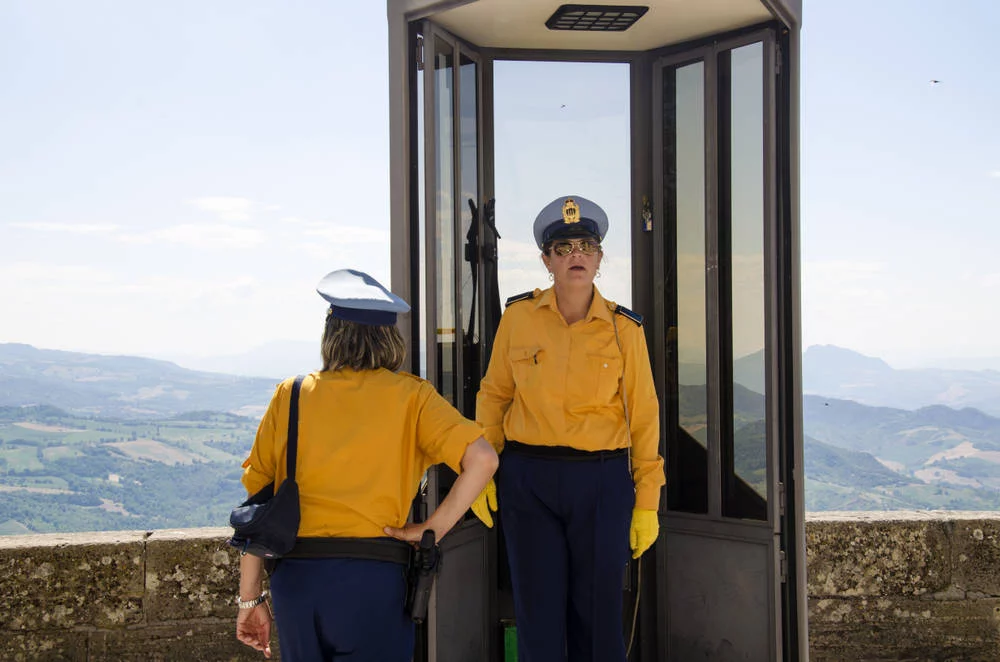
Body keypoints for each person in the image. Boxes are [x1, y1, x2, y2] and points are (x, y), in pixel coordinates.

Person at [235, 268, 499, 661]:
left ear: (331, 335)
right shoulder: (413, 397)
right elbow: (483, 459)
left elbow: (258, 505)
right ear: (390, 338)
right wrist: (433, 529)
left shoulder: (291, 395)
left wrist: (250, 599)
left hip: (298, 581)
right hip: (374, 579)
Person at [473, 196, 665, 662]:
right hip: (528, 478)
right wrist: (481, 470)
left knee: (598, 616)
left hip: (600, 480)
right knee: (537, 612)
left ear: (599, 259)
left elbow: (643, 415)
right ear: (547, 261)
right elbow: (494, 396)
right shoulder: (518, 317)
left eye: (586, 246)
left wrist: (647, 500)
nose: (576, 255)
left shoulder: (624, 328)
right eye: (563, 248)